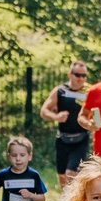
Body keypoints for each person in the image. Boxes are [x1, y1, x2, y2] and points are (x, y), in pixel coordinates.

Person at [40, 60, 89, 190]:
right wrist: (56, 117)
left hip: (81, 139)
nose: (81, 79)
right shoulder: (60, 90)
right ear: (70, 74)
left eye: (84, 76)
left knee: (71, 174)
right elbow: (44, 111)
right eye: (78, 75)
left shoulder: (89, 91)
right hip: (63, 139)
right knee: (62, 176)